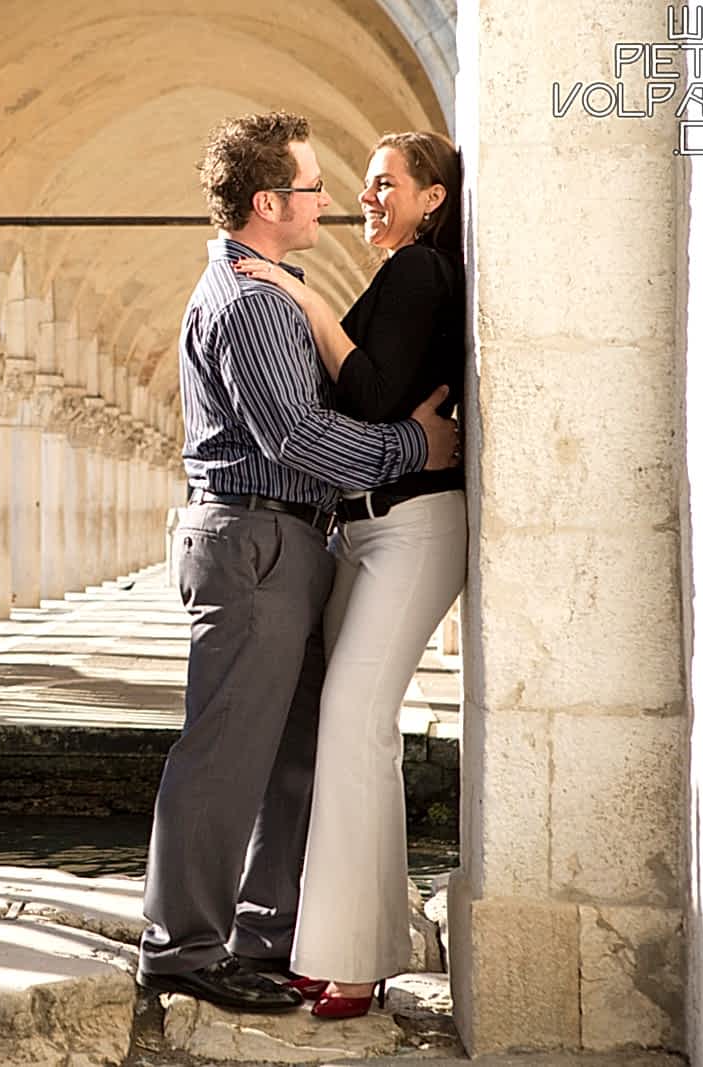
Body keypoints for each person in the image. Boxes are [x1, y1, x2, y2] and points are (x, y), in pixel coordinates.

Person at [136, 112, 458, 1013]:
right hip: (256, 538)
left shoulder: (274, 290)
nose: (331, 196)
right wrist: (414, 447)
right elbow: (300, 436)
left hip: (281, 540)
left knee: (291, 755)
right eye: (314, 185)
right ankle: (183, 949)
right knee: (226, 754)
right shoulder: (252, 303)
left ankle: (265, 936)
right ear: (272, 201)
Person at [236, 131, 466, 1020]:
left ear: (432, 198)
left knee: (351, 722)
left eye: (384, 184)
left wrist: (305, 304)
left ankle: (353, 961)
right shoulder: (403, 276)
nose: (366, 198)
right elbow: (362, 401)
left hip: (413, 527)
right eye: (364, 185)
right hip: (367, 530)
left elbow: (367, 398)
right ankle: (348, 946)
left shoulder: (418, 275)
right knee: (352, 734)